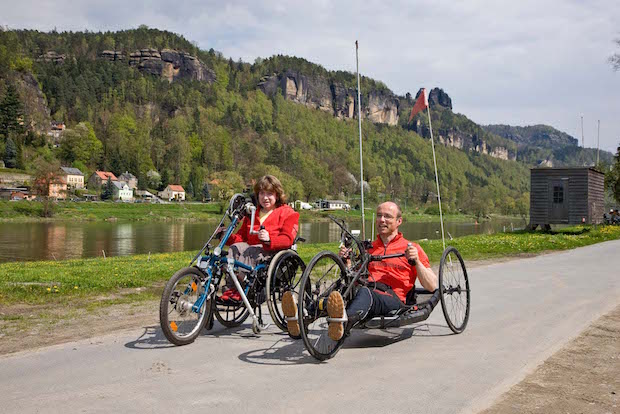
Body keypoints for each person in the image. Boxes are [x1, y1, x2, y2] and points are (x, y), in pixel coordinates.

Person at [283, 201, 437, 340]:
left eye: (387, 216)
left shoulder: (412, 248)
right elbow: (354, 277)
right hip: (363, 289)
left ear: (399, 222)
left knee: (365, 293)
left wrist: (416, 261)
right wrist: (347, 262)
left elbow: (432, 286)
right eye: (379, 216)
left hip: (392, 298)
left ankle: (343, 323)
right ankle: (303, 316)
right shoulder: (368, 248)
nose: (382, 220)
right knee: (341, 289)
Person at [219, 175, 299, 302]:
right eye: (262, 193)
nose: (265, 197)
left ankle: (244, 288)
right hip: (253, 253)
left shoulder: (288, 213)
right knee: (235, 248)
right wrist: (225, 236)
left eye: (269, 193)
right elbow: (240, 238)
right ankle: (232, 288)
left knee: (251, 251)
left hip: (272, 254)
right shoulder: (253, 213)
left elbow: (287, 239)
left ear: (277, 195)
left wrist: (269, 239)